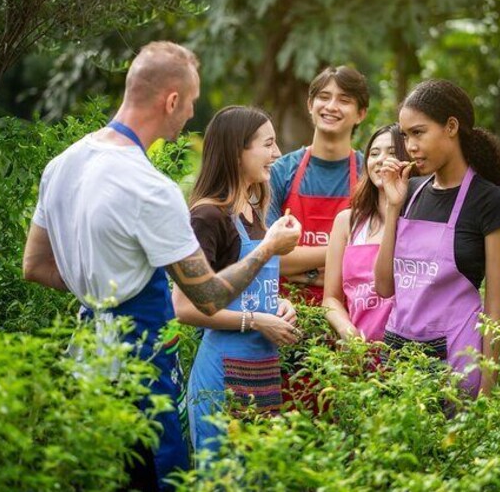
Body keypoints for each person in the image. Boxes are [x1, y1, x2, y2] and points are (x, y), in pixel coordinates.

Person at [22, 41, 302, 491]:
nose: (191, 114)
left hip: (85, 359)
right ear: (171, 101)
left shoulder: (62, 164)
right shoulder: (151, 187)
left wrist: (99, 293)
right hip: (140, 370)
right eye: (190, 103)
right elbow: (206, 298)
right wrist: (267, 250)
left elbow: (35, 265)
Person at [172, 105, 301, 457]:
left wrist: (277, 306)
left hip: (263, 368)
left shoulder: (256, 213)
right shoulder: (207, 215)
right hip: (223, 371)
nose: (276, 154)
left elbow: (249, 289)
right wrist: (256, 320)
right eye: (268, 144)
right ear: (236, 151)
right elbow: (183, 307)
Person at [374, 79, 500, 398]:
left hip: (453, 359)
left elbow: (496, 306)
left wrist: (488, 391)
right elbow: (384, 286)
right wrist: (393, 207)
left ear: (451, 126)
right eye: (405, 135)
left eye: (418, 132)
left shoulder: (489, 201)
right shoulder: (408, 192)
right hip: (397, 354)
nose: (410, 146)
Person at [268, 65, 369, 305]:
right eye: (324, 97)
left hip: (350, 320)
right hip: (285, 316)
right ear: (310, 105)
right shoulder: (281, 172)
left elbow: (375, 260)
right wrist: (340, 254)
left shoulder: (370, 174)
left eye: (344, 100)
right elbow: (268, 256)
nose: (331, 106)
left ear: (361, 114)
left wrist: (299, 265)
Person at [322, 124, 412, 342]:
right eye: (374, 153)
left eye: (392, 153)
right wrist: (347, 330)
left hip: (408, 359)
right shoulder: (348, 221)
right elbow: (330, 299)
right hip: (358, 357)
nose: (381, 159)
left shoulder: (419, 222)